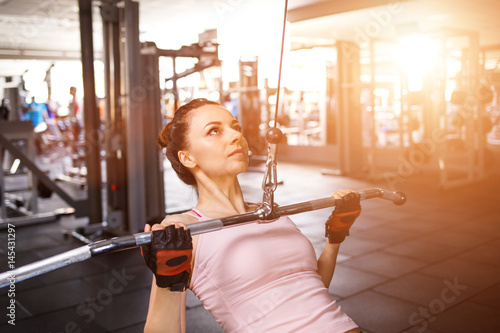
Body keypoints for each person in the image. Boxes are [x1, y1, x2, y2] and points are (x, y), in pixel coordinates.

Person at [142, 98, 361, 333]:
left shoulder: (271, 212)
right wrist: (168, 283)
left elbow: (311, 288)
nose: (236, 136)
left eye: (235, 127)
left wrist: (335, 237)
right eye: (214, 131)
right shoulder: (185, 229)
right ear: (187, 158)